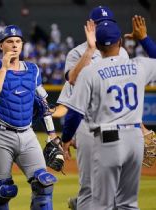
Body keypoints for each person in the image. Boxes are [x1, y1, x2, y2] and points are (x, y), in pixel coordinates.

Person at [61, 20, 156, 210]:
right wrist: (144, 39)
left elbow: (74, 113)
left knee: (101, 204)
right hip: (135, 140)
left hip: (108, 140)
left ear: (97, 45)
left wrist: (66, 139)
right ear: (120, 42)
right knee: (128, 204)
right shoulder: (139, 65)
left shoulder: (90, 72)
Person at [0, 25, 60, 210]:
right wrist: (4, 68)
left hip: (28, 134)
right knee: (3, 191)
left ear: (22, 44)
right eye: (9, 41)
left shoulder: (33, 69)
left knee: (44, 185)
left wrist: (52, 134)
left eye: (18, 41)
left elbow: (44, 104)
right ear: (0, 46)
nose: (14, 45)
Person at [53, 6, 129, 210]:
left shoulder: (121, 52)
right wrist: (90, 49)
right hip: (87, 123)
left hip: (116, 122)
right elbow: (72, 79)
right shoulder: (76, 52)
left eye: (109, 24)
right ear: (90, 27)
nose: (105, 27)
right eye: (100, 24)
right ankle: (83, 203)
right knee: (88, 185)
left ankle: (81, 204)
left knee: (117, 184)